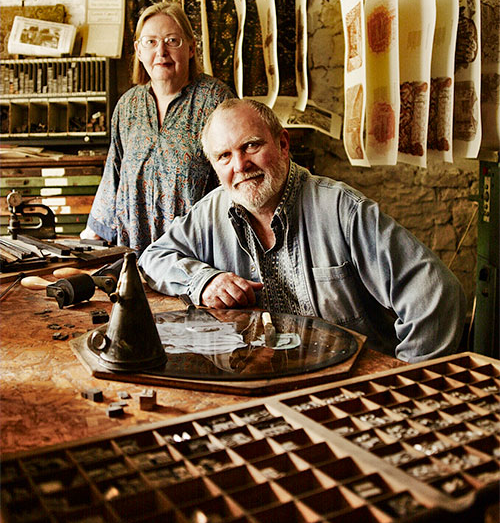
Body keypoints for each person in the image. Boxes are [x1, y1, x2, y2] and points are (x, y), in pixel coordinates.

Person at [139, 98, 466, 363]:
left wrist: (403, 383)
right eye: (224, 156)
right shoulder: (211, 212)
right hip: (264, 381)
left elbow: (436, 296)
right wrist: (204, 280)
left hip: (350, 386)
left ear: (282, 144)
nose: (239, 165)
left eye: (251, 146)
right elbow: (153, 258)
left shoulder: (342, 210)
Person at [80, 2, 233, 254]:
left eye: (172, 40)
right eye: (150, 42)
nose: (161, 51)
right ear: (139, 51)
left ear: (192, 48)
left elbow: (234, 177)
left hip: (198, 252)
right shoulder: (128, 106)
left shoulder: (216, 101)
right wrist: (93, 233)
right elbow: (114, 172)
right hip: (135, 251)